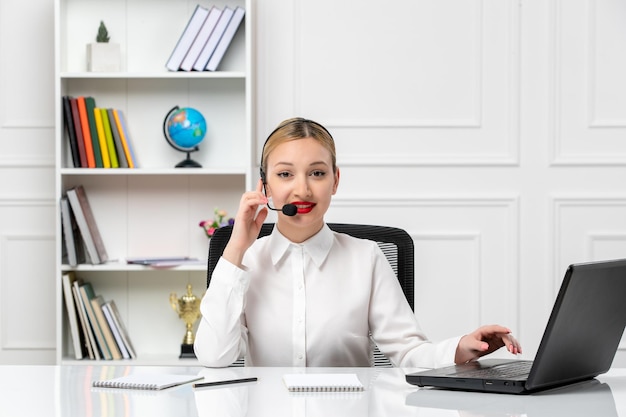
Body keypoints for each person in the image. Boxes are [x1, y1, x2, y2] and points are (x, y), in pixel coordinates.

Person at [194, 117, 522, 368]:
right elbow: (214, 357)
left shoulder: (366, 258)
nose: (303, 190)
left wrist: (461, 348)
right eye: (285, 174)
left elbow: (408, 352)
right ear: (265, 187)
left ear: (335, 180)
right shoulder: (246, 262)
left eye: (317, 173)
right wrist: (236, 249)